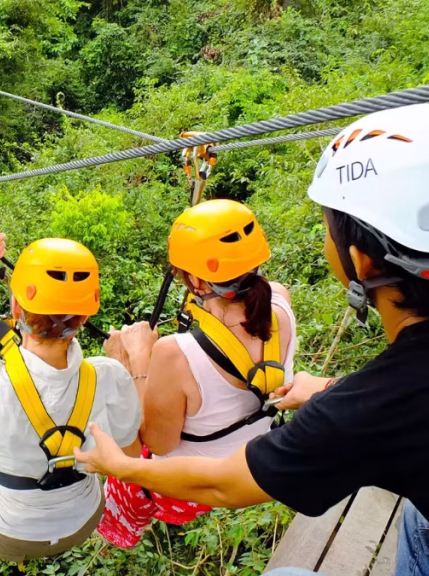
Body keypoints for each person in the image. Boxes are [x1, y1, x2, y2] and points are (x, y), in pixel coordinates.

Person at [74, 103, 429, 576]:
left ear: (360, 262)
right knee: (420, 521)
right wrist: (327, 388)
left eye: (328, 226)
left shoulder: (364, 413)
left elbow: (220, 483)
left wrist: (120, 457)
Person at [97, 199, 297, 548]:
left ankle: (118, 528)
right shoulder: (279, 302)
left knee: (122, 440)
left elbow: (157, 444)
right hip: (250, 459)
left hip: (191, 484)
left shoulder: (176, 353)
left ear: (194, 280)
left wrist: (134, 361)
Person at [0, 229, 142, 562]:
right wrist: (130, 367)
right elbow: (132, 454)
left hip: (4, 531)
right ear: (85, 316)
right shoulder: (110, 377)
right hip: (82, 520)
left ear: (17, 307)